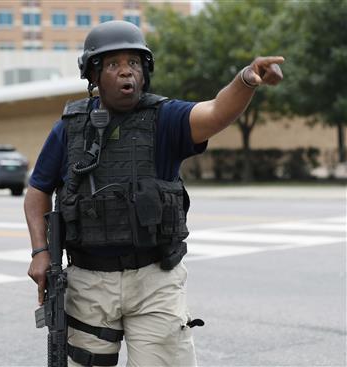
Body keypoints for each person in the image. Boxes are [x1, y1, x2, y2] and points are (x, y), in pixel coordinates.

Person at [25, 20, 283, 366]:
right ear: (93, 75)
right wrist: (40, 251)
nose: (125, 72)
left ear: (145, 72)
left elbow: (217, 112)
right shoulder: (69, 128)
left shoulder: (166, 118)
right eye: (113, 64)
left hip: (154, 281)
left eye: (133, 63)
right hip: (89, 281)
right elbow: (38, 190)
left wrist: (246, 80)